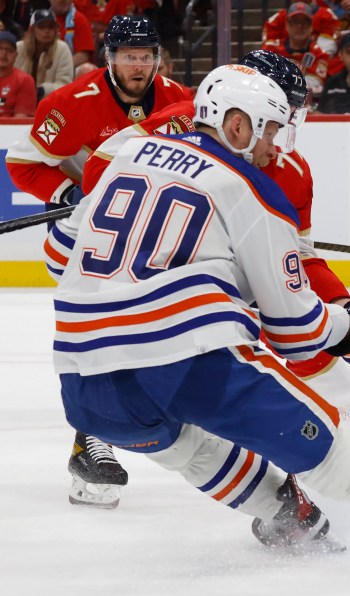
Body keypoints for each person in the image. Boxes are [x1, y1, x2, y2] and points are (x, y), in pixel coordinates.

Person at [54, 63, 350, 580]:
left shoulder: (127, 154)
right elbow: (297, 331)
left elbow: (61, 252)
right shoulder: (250, 187)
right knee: (338, 455)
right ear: (238, 125)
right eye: (272, 130)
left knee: (190, 450)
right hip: (189, 357)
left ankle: (287, 515)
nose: (275, 148)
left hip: (82, 379)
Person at [72, 49, 350, 544]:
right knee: (131, 361)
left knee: (281, 329)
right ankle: (93, 438)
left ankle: (341, 432)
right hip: (142, 271)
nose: (285, 131)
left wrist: (343, 310)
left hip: (213, 278)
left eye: (291, 115)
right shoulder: (175, 127)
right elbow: (103, 173)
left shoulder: (291, 170)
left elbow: (298, 264)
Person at [5, 14, 192, 509]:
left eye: (146, 55)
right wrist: (70, 192)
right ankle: (91, 441)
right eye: (129, 56)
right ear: (108, 59)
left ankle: (111, 430)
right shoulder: (72, 103)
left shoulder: (180, 100)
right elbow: (21, 163)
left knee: (155, 331)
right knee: (100, 331)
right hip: (84, 237)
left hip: (146, 236)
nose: (139, 65)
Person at [260, 2, 337, 98]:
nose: (300, 26)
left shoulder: (320, 54)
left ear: (311, 26)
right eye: (295, 21)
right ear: (287, 25)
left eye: (305, 22)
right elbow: (261, 79)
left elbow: (316, 87)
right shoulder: (270, 49)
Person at [14, 8, 71, 99]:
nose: (46, 31)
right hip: (19, 99)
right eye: (41, 27)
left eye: (50, 27)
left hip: (50, 101)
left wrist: (42, 90)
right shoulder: (19, 48)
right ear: (32, 29)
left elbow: (65, 85)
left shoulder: (62, 49)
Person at [0, 29, 35, 115]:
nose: (3, 53)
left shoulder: (24, 80)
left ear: (16, 55)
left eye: (9, 50)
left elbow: (20, 119)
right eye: (0, 48)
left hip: (10, 128)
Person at [48, 0, 93, 67]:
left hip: (71, 69)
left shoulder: (79, 19)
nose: (63, 1)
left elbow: (83, 56)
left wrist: (61, 68)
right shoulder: (42, 21)